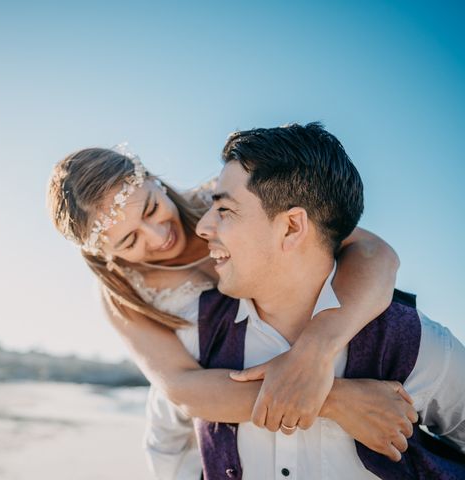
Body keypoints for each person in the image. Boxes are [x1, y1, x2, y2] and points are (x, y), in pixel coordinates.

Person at [47, 144, 415, 479]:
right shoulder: (122, 295)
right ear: (106, 256)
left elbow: (374, 253)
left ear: (155, 181)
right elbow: (182, 388)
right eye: (130, 240)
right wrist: (332, 399)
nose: (158, 237)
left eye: (151, 208)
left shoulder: (224, 200)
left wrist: (314, 353)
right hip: (201, 425)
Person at [194, 123, 465, 479]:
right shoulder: (198, 334)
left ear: (292, 227)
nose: (202, 227)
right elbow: (170, 448)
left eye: (224, 210)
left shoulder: (417, 345)